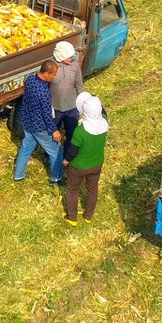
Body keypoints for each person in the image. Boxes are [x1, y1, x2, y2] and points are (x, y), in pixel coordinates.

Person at [13, 59, 64, 184]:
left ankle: (18, 175)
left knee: (25, 148)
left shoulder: (30, 79)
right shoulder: (44, 93)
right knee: (56, 151)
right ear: (46, 73)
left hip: (27, 122)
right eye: (53, 75)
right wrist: (54, 131)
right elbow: (47, 115)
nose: (54, 77)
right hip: (40, 127)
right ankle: (56, 178)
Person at [62, 92, 109, 226]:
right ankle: (88, 216)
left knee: (72, 190)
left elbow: (72, 151)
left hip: (79, 166)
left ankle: (72, 218)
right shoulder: (104, 122)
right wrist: (94, 99)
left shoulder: (80, 131)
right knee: (92, 190)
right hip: (96, 164)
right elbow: (103, 111)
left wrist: (66, 161)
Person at [49, 40, 84, 165]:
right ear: (61, 56)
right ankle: (51, 157)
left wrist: (83, 104)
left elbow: (79, 85)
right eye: (69, 56)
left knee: (72, 134)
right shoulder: (50, 67)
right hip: (55, 108)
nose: (72, 58)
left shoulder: (75, 65)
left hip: (71, 107)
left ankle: (67, 156)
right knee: (53, 134)